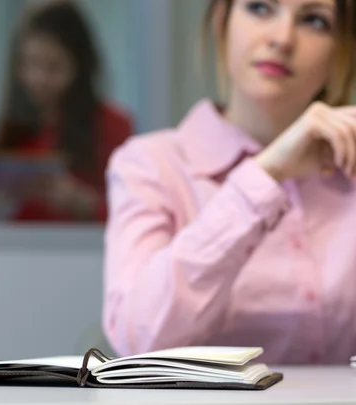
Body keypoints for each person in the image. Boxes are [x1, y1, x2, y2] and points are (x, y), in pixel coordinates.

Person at [103, 0, 356, 364]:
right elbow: (140, 337)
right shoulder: (150, 164)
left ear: (340, 50)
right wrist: (265, 174)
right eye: (260, 8)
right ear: (222, 21)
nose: (283, 38)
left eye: (314, 20)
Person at [0, 0, 132, 222]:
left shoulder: (111, 126)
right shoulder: (14, 130)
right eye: (31, 64)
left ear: (79, 67)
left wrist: (86, 204)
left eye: (54, 67)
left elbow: (133, 214)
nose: (39, 79)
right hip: (19, 253)